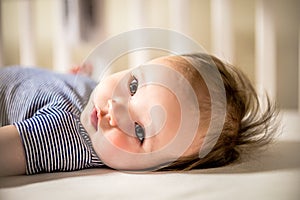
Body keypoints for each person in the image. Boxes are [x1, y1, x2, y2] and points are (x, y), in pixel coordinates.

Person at [0, 53, 278, 176]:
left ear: (156, 169)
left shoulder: (62, 135)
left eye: (140, 131)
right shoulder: (99, 96)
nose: (115, 109)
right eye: (133, 85)